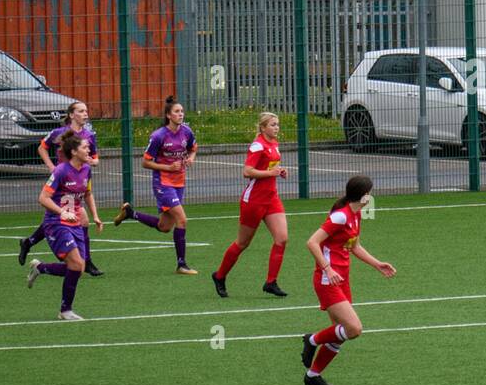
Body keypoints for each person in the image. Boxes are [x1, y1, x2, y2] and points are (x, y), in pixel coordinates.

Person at [300, 175, 397, 385]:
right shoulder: (340, 217)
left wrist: (377, 264)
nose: (372, 196)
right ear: (363, 196)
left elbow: (355, 246)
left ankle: (313, 375)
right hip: (328, 280)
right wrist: (327, 267)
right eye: (370, 193)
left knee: (340, 334)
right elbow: (312, 242)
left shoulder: (356, 214)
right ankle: (312, 340)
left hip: (342, 280)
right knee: (353, 329)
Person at [114, 95, 198, 274]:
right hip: (163, 183)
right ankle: (181, 264)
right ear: (168, 115)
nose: (181, 114)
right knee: (182, 220)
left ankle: (131, 213)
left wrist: (190, 158)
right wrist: (167, 166)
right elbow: (145, 162)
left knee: (164, 227)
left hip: (179, 182)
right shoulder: (158, 136)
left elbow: (193, 148)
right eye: (177, 111)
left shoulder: (187, 132)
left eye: (182, 111)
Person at [17, 101, 103, 276]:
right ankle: (84, 261)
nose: (85, 114)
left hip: (77, 182)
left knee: (66, 218)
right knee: (69, 218)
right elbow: (42, 147)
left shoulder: (89, 135)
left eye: (86, 110)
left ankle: (30, 242)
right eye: (81, 111)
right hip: (61, 185)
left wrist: (92, 161)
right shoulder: (58, 133)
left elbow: (95, 158)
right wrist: (51, 167)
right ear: (71, 115)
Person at [211, 112, 290, 299]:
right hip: (253, 201)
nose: (276, 128)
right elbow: (247, 171)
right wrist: (271, 173)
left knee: (282, 239)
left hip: (271, 199)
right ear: (263, 128)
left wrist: (279, 171)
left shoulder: (274, 144)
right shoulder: (257, 146)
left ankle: (271, 282)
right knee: (243, 243)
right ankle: (219, 276)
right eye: (272, 125)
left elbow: (269, 168)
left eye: (277, 124)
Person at [26, 133, 103, 321]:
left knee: (78, 267)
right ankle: (65, 310)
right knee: (76, 264)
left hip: (75, 223)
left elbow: (87, 194)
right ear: (74, 151)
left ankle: (41, 268)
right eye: (85, 148)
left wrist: (95, 216)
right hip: (56, 223)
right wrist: (62, 212)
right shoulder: (61, 171)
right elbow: (43, 198)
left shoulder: (86, 170)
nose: (89, 151)